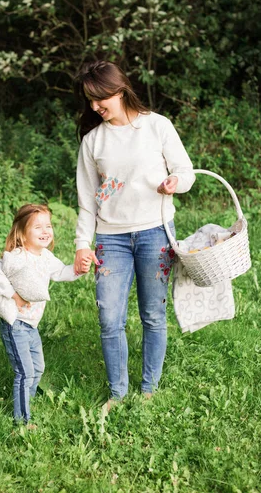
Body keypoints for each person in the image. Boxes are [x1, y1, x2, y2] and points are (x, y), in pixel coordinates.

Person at [73, 61, 195, 405]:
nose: (95, 106)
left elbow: (186, 171)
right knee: (109, 317)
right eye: (90, 101)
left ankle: (149, 390)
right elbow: (86, 202)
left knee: (153, 314)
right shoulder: (92, 142)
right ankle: (117, 392)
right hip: (111, 240)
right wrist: (83, 244)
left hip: (155, 233)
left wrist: (176, 182)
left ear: (119, 89)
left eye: (100, 98)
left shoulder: (157, 126)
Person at [0, 203, 90, 427]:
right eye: (38, 227)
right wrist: (14, 296)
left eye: (48, 226)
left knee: (38, 368)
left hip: (31, 325)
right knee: (25, 372)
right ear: (22, 234)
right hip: (16, 324)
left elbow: (61, 272)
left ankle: (27, 401)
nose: (45, 231)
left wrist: (78, 269)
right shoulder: (17, 256)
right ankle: (22, 420)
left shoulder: (46, 257)